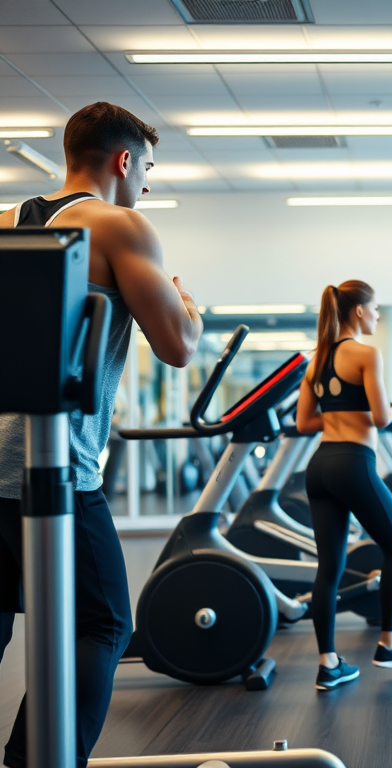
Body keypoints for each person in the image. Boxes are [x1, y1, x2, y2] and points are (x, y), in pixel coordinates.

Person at [0, 102, 203, 768]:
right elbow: (177, 345)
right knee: (106, 622)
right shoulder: (120, 226)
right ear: (123, 160)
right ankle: (39, 758)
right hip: (54, 470)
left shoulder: (2, 222)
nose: (145, 182)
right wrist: (189, 305)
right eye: (145, 167)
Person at [295, 280, 392, 691]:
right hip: (353, 463)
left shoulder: (315, 361)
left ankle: (329, 664)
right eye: (374, 310)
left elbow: (305, 423)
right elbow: (382, 418)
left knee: (329, 567)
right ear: (358, 312)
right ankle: (389, 644)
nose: (376, 316)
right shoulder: (367, 354)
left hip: (320, 466)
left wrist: (341, 415)